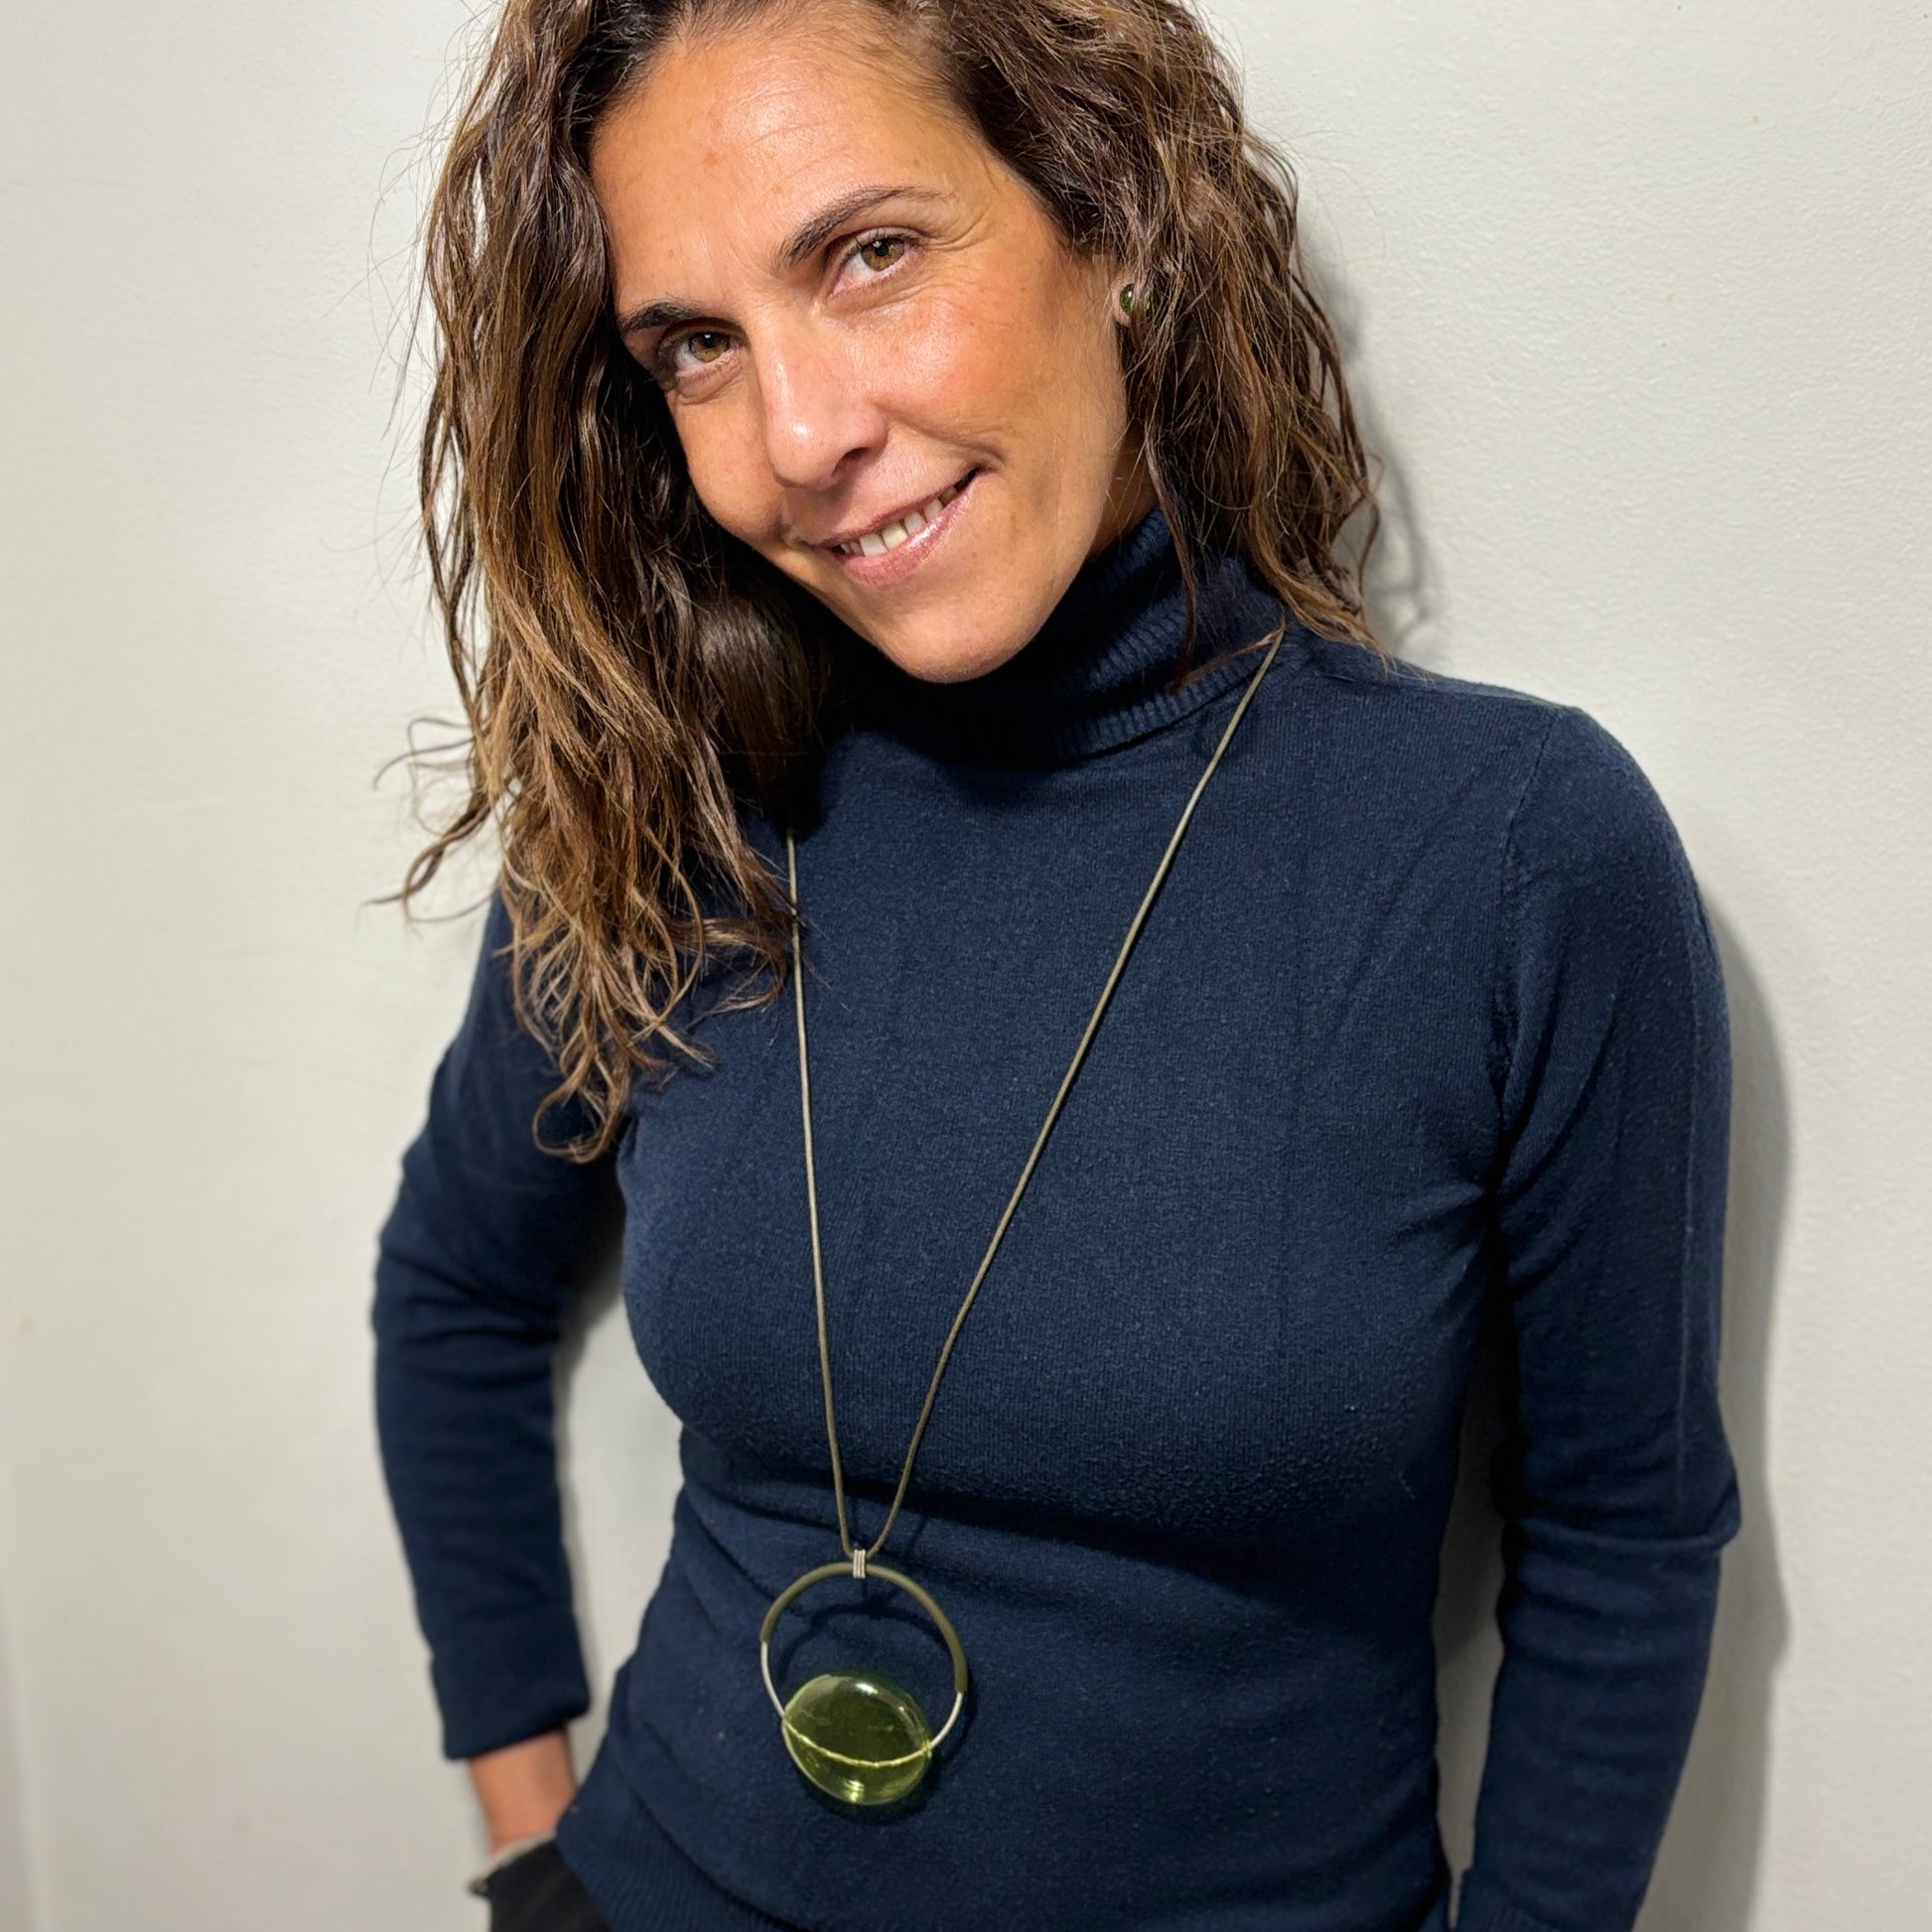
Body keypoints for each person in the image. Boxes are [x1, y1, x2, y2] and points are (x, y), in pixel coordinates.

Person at [370, 1, 1741, 1927]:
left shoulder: (1507, 854)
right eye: (695, 345)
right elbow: (454, 1284)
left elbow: (1621, 1534)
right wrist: (535, 1852)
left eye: (868, 253)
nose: (799, 439)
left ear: (1117, 219)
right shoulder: (667, 807)